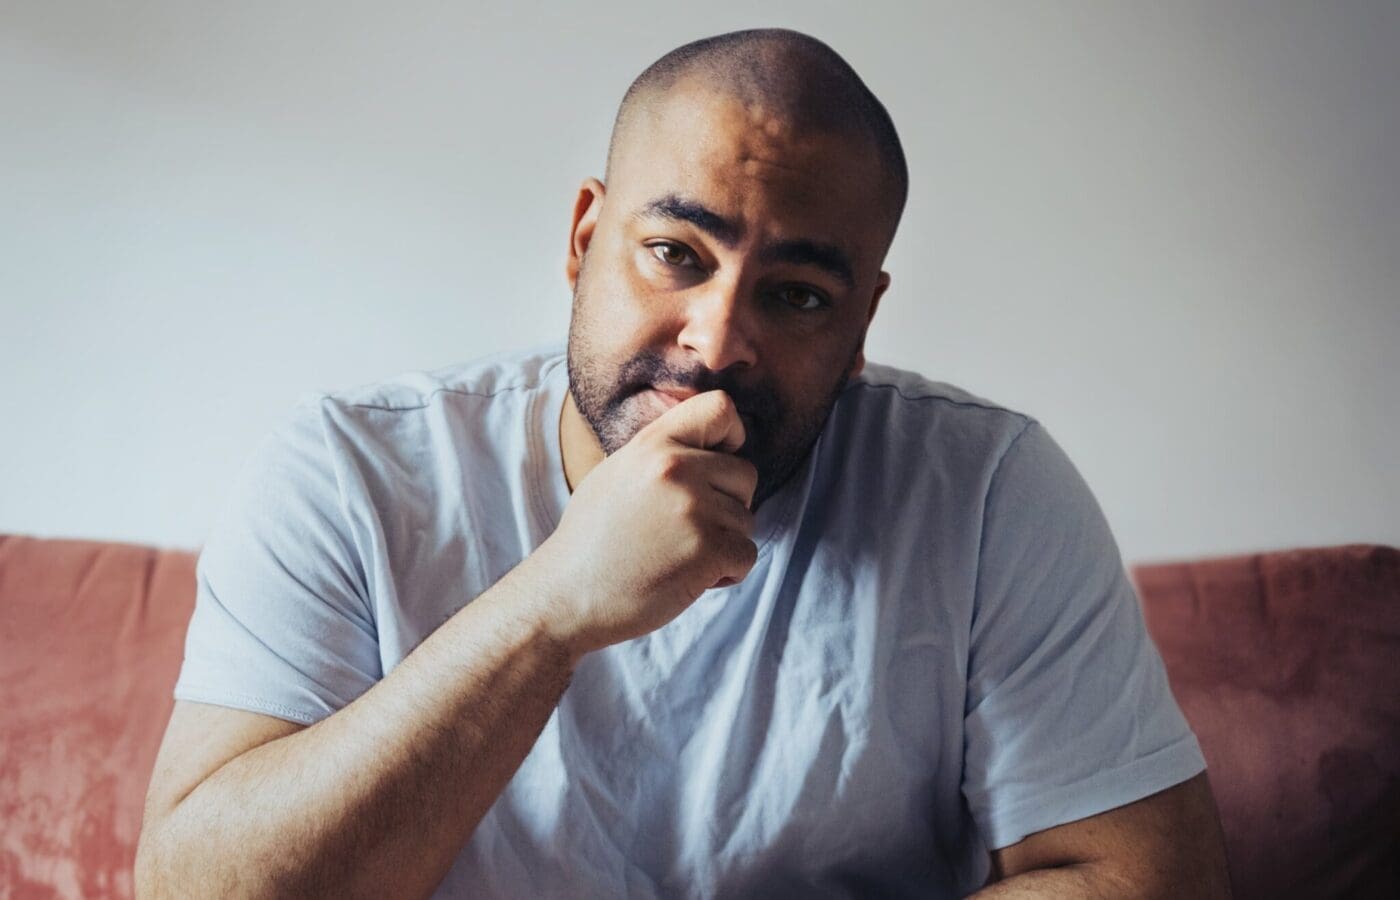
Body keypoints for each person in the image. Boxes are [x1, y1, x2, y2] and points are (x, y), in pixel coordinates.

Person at [135, 28, 1231, 899]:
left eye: (795, 294)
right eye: (674, 255)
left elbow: (1153, 878)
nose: (716, 339)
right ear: (581, 239)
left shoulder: (989, 491)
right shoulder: (349, 472)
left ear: (859, 328)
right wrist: (554, 606)